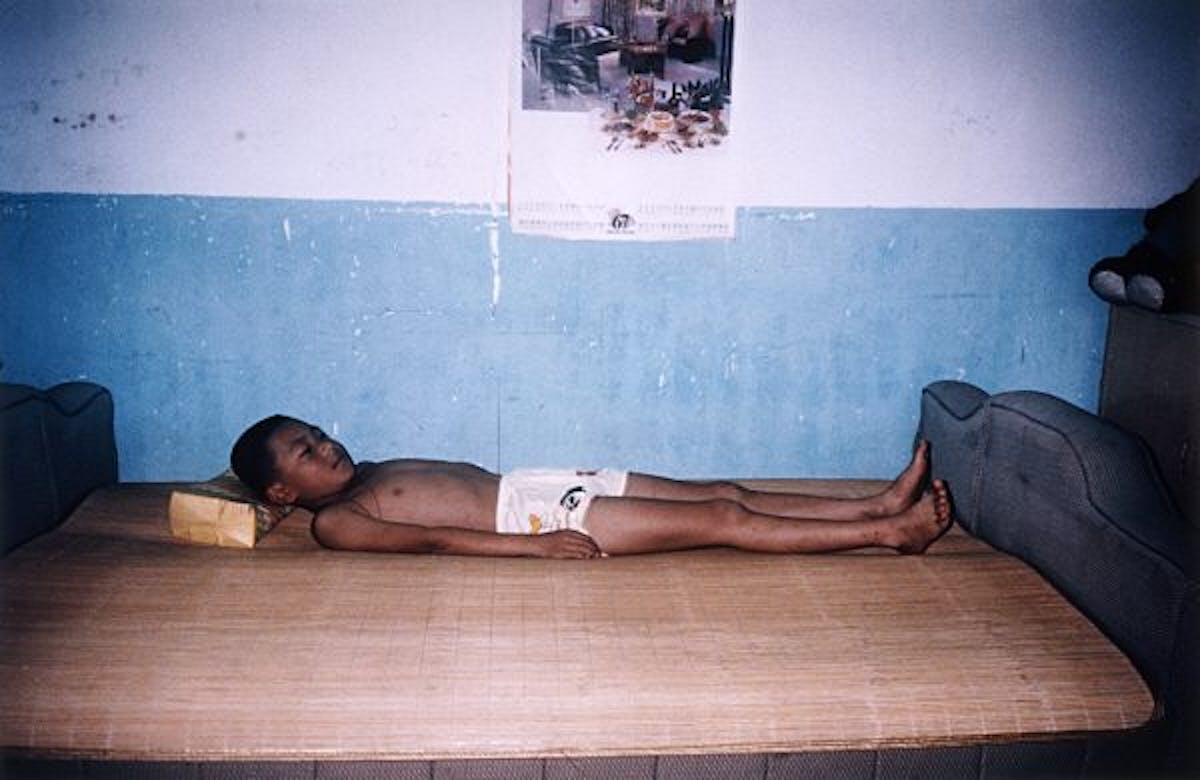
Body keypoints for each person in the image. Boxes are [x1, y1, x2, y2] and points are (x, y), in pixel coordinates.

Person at [230, 415, 953, 559]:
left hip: (542, 482)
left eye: (318, 435)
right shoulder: (335, 520)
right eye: (305, 453)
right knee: (720, 518)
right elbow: (433, 538)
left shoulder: (370, 471)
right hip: (531, 519)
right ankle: (890, 533)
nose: (327, 447)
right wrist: (537, 549)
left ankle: (877, 502)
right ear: (282, 493)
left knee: (724, 488)